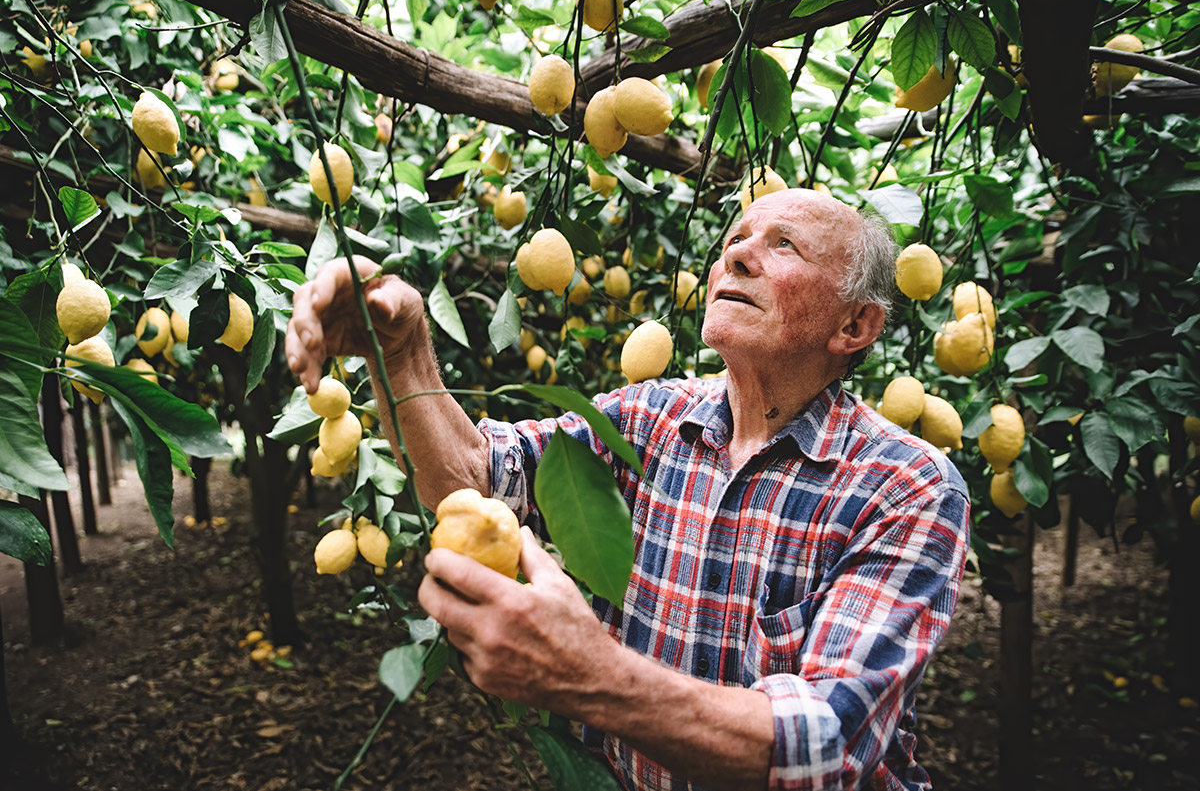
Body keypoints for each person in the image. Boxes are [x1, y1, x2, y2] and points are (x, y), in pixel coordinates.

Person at [286, 188, 970, 791]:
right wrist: (403, 352)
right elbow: (473, 480)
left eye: (782, 245)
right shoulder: (649, 419)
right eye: (733, 241)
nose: (734, 257)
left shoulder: (907, 486)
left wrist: (590, 673)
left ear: (854, 326)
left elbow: (828, 744)